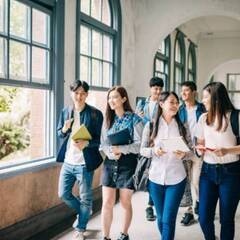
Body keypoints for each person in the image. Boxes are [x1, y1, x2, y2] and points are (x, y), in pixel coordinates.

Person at [140, 91, 193, 240]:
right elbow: (143, 150)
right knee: (161, 217)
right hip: (155, 178)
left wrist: (184, 154)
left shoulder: (182, 127)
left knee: (168, 219)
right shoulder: (151, 126)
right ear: (161, 104)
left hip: (177, 178)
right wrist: (154, 150)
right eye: (172, 102)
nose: (175, 105)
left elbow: (191, 150)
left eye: (177, 103)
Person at [57, 80, 103, 240]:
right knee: (63, 194)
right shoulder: (66, 111)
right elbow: (60, 134)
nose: (79, 96)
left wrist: (87, 143)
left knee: (85, 198)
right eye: (76, 93)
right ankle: (85, 211)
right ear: (71, 94)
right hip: (68, 161)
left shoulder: (95, 114)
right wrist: (64, 129)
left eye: (83, 93)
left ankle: (81, 228)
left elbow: (101, 140)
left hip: (85, 163)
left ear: (87, 95)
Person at [195, 82, 240, 240]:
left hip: (231, 173)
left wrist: (227, 150)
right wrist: (199, 149)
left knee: (226, 219)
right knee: (204, 217)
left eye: (206, 97)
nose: (202, 100)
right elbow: (200, 142)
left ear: (216, 99)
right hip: (207, 171)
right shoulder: (202, 118)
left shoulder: (236, 117)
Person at [101, 86, 143, 240]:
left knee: (125, 202)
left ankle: (124, 234)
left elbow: (140, 145)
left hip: (128, 164)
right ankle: (105, 236)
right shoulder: (107, 120)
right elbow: (103, 144)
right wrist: (111, 153)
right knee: (107, 202)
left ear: (124, 99)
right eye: (109, 97)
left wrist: (121, 149)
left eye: (115, 97)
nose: (111, 100)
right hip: (110, 163)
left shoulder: (135, 119)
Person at [135, 77, 164, 221]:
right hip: (144, 143)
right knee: (147, 174)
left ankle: (150, 205)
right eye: (155, 88)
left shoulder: (163, 103)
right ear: (150, 88)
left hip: (157, 144)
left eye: (160, 89)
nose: (158, 91)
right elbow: (137, 124)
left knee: (154, 175)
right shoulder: (142, 103)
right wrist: (138, 117)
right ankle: (150, 204)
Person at [179, 81, 205, 226]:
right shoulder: (180, 109)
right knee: (186, 183)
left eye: (186, 90)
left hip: (199, 151)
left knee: (196, 181)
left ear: (194, 92)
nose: (183, 93)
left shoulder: (202, 109)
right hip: (184, 151)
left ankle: (200, 205)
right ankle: (189, 211)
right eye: (182, 90)